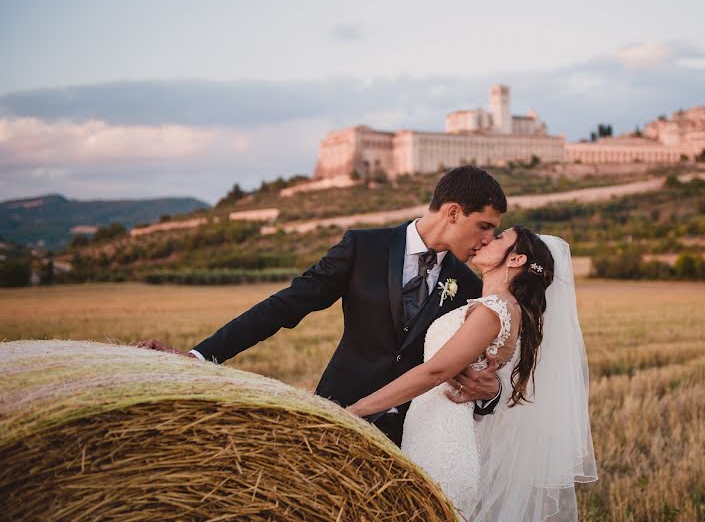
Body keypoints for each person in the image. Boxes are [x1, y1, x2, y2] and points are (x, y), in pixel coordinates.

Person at [137, 165, 508, 446]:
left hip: (417, 435)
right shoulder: (363, 248)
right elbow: (285, 306)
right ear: (454, 212)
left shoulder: (470, 285)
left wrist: (489, 393)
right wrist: (200, 356)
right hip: (338, 413)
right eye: (484, 226)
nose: (489, 240)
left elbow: (478, 368)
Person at [347, 229, 598, 522]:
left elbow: (435, 371)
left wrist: (356, 410)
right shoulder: (495, 305)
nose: (486, 239)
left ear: (517, 259)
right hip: (428, 436)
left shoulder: (496, 311)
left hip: (443, 447)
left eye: (499, 238)